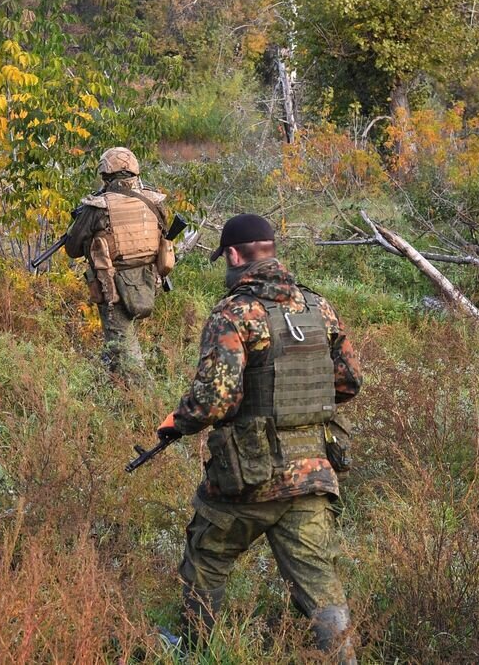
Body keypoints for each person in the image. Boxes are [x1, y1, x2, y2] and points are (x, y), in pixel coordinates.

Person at [154, 213, 363, 663]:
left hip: (250, 477)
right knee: (318, 579)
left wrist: (178, 421)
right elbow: (348, 382)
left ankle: (196, 649)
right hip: (312, 474)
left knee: (207, 556)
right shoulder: (319, 307)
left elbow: (215, 400)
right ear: (270, 249)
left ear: (233, 255)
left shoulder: (234, 313)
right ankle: (344, 659)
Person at [64, 147, 174, 379]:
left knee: (126, 350)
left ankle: (145, 399)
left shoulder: (98, 207)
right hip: (147, 282)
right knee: (117, 344)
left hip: (111, 285)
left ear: (105, 175)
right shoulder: (153, 202)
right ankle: (107, 388)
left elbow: (73, 250)